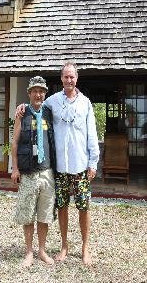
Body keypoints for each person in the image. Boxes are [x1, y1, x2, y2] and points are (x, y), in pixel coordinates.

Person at [16, 61, 99, 265]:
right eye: (65, 76)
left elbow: (92, 134)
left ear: (76, 78)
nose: (69, 80)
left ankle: (85, 248)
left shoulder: (85, 103)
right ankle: (64, 246)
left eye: (72, 76)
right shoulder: (52, 101)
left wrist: (93, 162)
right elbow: (35, 105)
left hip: (80, 165)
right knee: (62, 206)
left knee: (83, 207)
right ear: (61, 79)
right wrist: (21, 107)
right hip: (59, 167)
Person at [11, 76, 57, 267]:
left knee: (44, 214)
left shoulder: (49, 112)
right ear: (29, 93)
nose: (38, 94)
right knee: (28, 214)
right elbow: (14, 142)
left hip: (46, 172)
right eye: (35, 91)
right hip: (29, 172)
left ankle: (42, 251)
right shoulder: (23, 113)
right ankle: (29, 252)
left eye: (41, 91)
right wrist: (15, 168)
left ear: (45, 94)